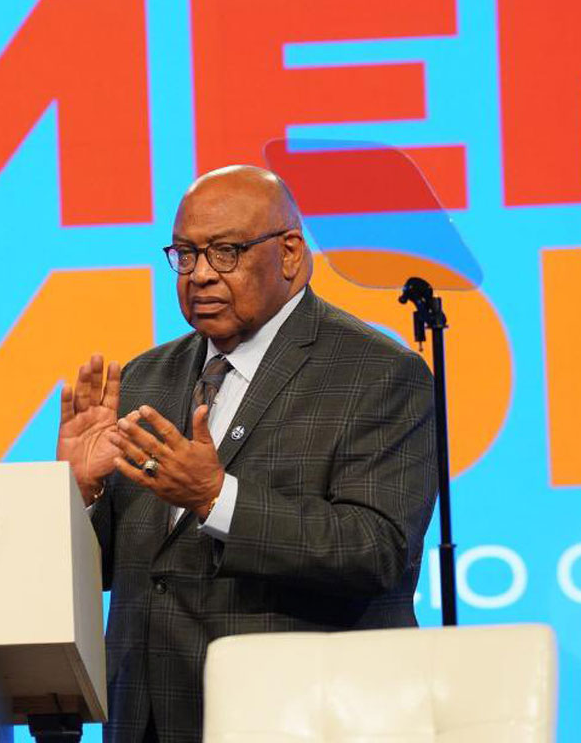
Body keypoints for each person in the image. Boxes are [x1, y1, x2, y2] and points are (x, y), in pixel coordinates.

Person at [57, 165, 437, 742]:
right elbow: (114, 567)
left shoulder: (377, 372)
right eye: (186, 254)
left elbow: (375, 550)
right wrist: (81, 493)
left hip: (297, 717)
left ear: (290, 254)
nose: (201, 274)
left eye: (226, 252)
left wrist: (217, 498)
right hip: (146, 718)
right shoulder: (145, 378)